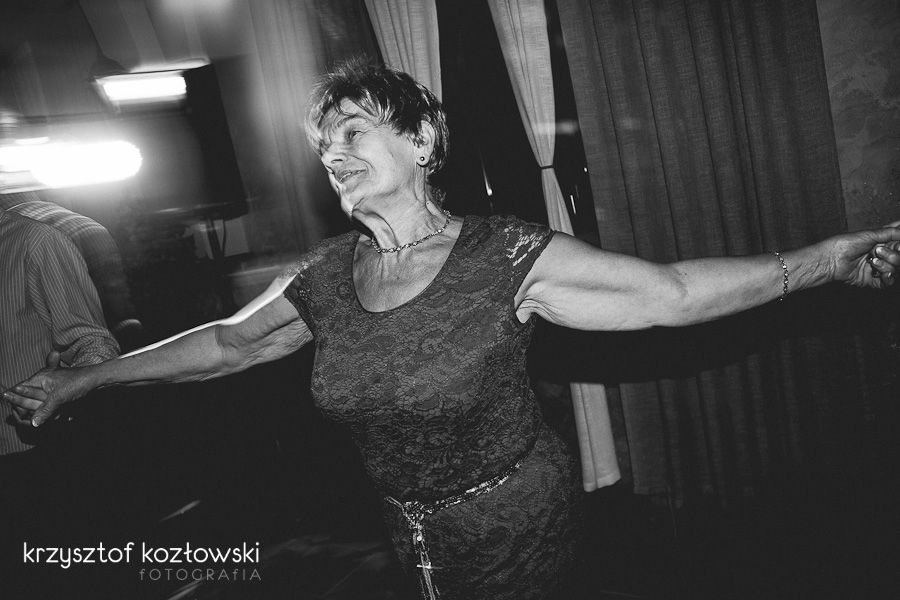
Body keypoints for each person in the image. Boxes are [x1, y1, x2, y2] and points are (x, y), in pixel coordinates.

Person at [4, 61, 900, 600]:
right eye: (324, 146)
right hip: (405, 529)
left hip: (518, 522)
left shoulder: (504, 255)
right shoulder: (324, 276)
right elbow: (230, 343)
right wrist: (87, 377)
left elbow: (670, 293)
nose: (334, 155)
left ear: (424, 140)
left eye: (353, 132)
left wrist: (825, 260)